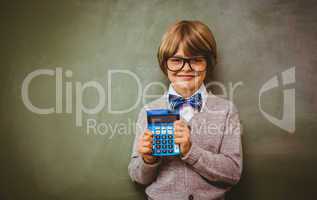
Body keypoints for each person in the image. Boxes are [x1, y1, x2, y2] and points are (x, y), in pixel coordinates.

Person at [128, 20, 243, 200]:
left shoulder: (226, 110)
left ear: (209, 63)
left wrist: (190, 151)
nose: (186, 68)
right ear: (165, 64)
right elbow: (138, 177)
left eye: (196, 60)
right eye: (176, 60)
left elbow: (233, 173)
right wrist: (148, 160)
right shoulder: (149, 110)